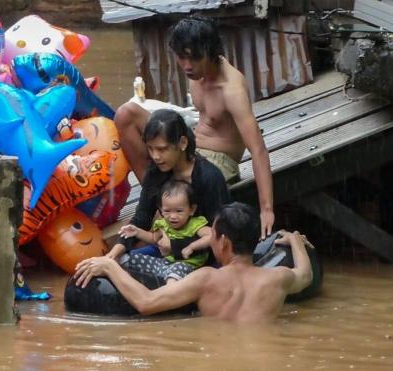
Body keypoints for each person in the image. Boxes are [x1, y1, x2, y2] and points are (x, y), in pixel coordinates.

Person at [114, 16, 275, 239]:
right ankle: (159, 201)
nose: (187, 66)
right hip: (191, 144)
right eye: (182, 58)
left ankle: (167, 207)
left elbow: (258, 149)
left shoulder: (231, 89)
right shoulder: (196, 74)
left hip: (219, 160)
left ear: (210, 52)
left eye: (194, 58)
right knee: (125, 115)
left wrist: (266, 209)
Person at [74, 202, 314, 323]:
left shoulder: (206, 278)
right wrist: (294, 239)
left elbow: (146, 302)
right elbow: (305, 275)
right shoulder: (278, 278)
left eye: (213, 235)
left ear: (224, 242)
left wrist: (110, 266)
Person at [105, 108, 230, 261]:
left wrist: (176, 246)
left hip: (200, 257)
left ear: (182, 143)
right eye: (150, 149)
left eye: (162, 149)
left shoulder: (209, 177)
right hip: (167, 251)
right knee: (123, 262)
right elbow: (142, 217)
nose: (155, 156)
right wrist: (114, 253)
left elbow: (220, 234)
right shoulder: (156, 172)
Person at [119, 179, 212, 283]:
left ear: (191, 210)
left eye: (179, 211)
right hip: (165, 264)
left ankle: (169, 292)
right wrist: (137, 232)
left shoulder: (195, 224)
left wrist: (192, 246)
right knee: (125, 259)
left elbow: (211, 236)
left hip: (188, 267)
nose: (172, 216)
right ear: (161, 209)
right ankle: (131, 284)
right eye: (167, 211)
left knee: (174, 274)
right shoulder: (163, 224)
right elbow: (154, 238)